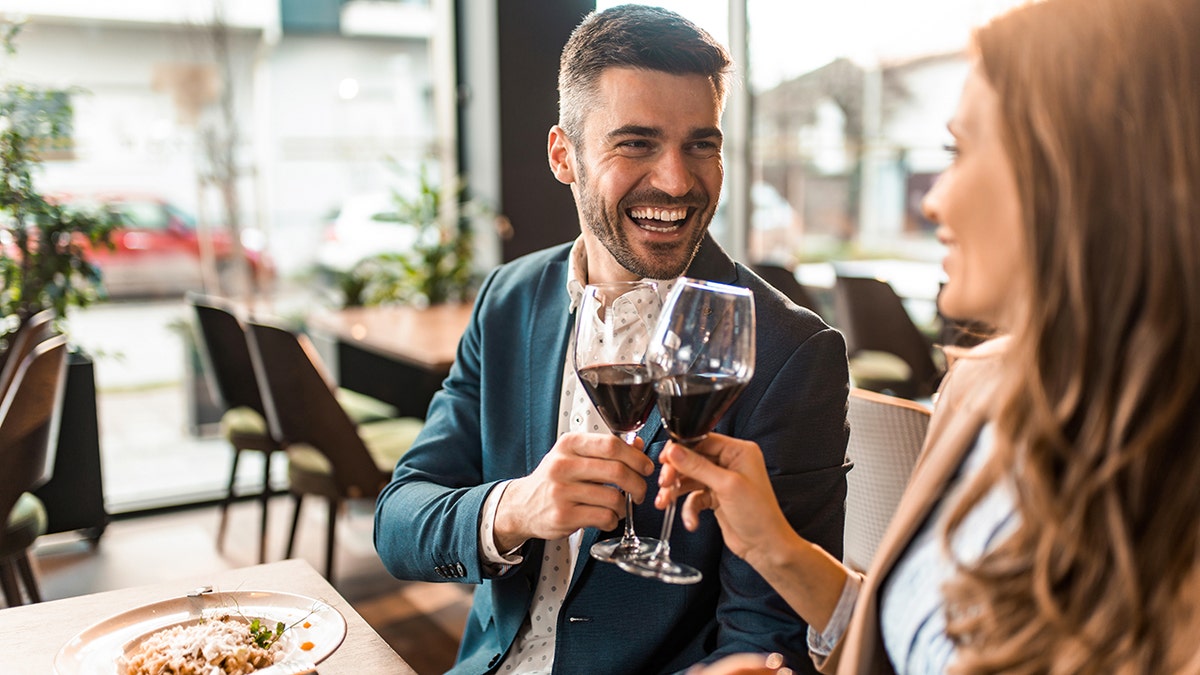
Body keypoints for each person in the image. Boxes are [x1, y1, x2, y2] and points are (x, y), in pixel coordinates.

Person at [658, 0, 1200, 672]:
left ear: (1087, 176)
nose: (933, 199)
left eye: (960, 152)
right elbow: (919, 643)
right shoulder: (981, 391)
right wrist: (774, 546)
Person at [373, 5, 851, 674]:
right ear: (563, 156)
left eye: (701, 145)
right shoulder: (508, 298)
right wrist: (516, 507)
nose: (677, 181)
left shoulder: (791, 354)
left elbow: (769, 637)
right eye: (636, 143)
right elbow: (399, 521)